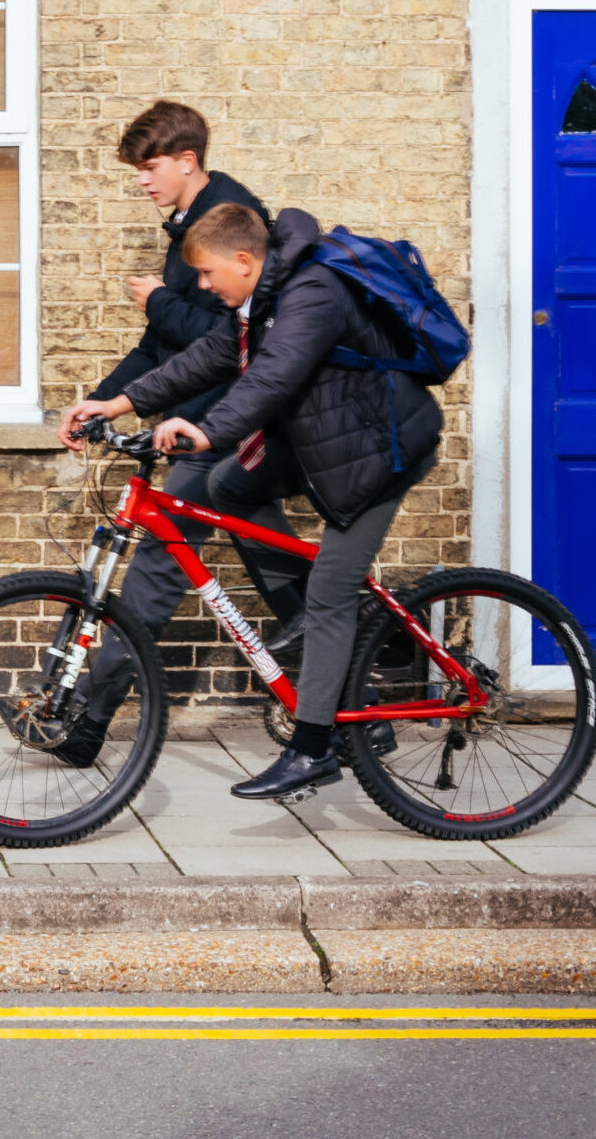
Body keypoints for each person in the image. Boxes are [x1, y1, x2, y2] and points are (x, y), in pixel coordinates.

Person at [65, 201, 442, 800]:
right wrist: (116, 403)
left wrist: (210, 431)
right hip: (324, 444)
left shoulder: (312, 292)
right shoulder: (261, 297)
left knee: (331, 592)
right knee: (227, 486)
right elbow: (209, 357)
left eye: (210, 274)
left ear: (244, 260)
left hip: (378, 454)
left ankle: (313, 746)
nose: (205, 286)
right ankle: (322, 619)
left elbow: (274, 377)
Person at [44, 103, 294, 765]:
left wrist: (159, 299)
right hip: (213, 422)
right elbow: (162, 345)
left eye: (150, 167)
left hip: (223, 423)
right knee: (274, 558)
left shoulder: (229, 217)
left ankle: (86, 723)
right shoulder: (190, 220)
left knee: (155, 567)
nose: (142, 181)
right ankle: (349, 682)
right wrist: (103, 402)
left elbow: (223, 341)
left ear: (187, 161)